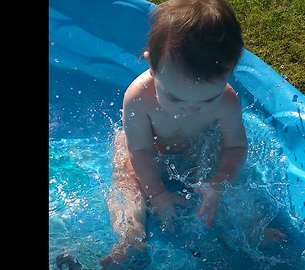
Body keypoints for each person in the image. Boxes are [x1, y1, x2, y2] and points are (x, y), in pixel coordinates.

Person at [100, 1, 285, 269]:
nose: (190, 110)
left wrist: (219, 182)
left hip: (197, 146)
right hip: (148, 147)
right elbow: (138, 150)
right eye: (174, 97)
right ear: (152, 64)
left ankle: (251, 229)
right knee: (127, 183)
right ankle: (129, 238)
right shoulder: (138, 97)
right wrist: (158, 194)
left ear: (230, 73)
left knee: (236, 181)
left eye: (208, 100)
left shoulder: (228, 101)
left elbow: (235, 147)